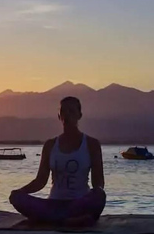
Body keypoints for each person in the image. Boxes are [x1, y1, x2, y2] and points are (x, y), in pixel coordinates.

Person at [9, 96, 106, 226]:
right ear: (59, 116)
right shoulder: (50, 145)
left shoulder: (91, 144)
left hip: (79, 203)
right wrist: (20, 192)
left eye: (71, 111)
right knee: (16, 197)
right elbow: (40, 181)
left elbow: (98, 182)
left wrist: (97, 194)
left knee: (99, 196)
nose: (67, 115)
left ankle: (54, 219)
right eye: (63, 111)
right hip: (53, 205)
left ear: (79, 115)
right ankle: (68, 220)